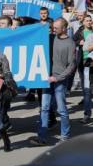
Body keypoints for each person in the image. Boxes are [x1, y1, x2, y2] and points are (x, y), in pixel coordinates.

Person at [30, 18, 75, 146]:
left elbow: (71, 66)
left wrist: (58, 78)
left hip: (59, 81)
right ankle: (42, 137)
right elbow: (32, 37)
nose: (53, 29)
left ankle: (65, 136)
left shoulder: (70, 43)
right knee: (44, 108)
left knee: (61, 110)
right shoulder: (50, 38)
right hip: (47, 79)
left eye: (56, 28)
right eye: (53, 27)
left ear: (64, 28)